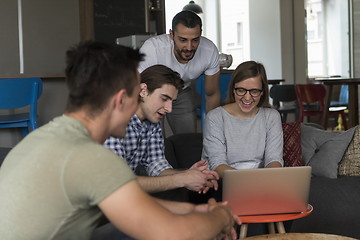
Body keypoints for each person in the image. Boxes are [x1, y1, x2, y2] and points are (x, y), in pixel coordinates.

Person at [0, 41, 239, 240]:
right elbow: (173, 233)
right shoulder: (89, 156)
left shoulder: (43, 139)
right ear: (121, 99)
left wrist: (196, 209)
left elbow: (125, 200)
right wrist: (221, 216)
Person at [104, 64, 219, 196]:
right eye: (164, 99)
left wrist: (188, 174)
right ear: (143, 91)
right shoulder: (113, 122)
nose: (169, 109)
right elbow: (119, 183)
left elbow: (156, 165)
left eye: (172, 101)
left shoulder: (152, 122)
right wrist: (181, 179)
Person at [138, 10, 221, 134]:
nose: (189, 47)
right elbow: (137, 88)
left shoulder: (209, 51)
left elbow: (212, 94)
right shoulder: (152, 49)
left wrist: (213, 131)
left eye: (195, 40)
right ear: (171, 35)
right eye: (183, 40)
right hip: (153, 92)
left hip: (182, 91)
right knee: (154, 137)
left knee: (188, 140)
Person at [202, 61, 284, 179]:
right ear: (233, 90)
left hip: (261, 182)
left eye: (254, 91)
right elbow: (218, 164)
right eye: (241, 90)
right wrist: (247, 183)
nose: (247, 97)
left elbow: (274, 160)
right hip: (223, 181)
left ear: (263, 92)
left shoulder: (271, 116)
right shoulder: (215, 117)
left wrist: (267, 181)